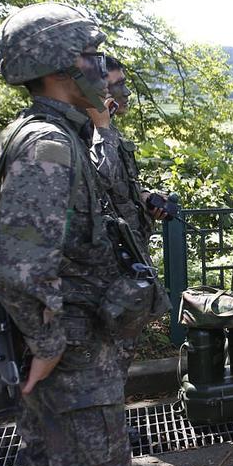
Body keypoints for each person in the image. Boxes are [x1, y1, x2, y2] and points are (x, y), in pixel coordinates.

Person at [0, 2, 135, 466]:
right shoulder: (47, 145)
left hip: (78, 356)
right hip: (73, 365)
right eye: (94, 54)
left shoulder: (60, 137)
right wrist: (49, 344)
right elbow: (20, 265)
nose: (102, 65)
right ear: (66, 66)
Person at [87, 55, 170, 383]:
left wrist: (146, 199)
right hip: (107, 271)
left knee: (120, 353)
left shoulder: (109, 133)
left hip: (129, 264)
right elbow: (97, 182)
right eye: (118, 85)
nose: (126, 92)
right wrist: (101, 127)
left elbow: (116, 189)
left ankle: (113, 424)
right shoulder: (83, 132)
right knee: (103, 359)